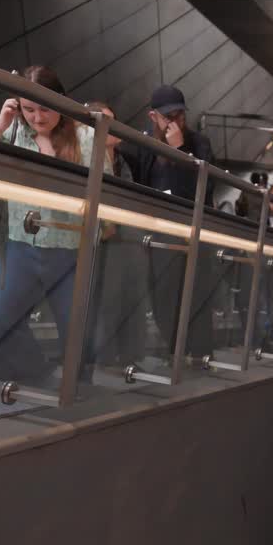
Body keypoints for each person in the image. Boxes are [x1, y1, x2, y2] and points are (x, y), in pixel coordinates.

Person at [0, 66, 95, 387]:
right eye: (28, 109)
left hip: (69, 249)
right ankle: (35, 375)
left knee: (75, 326)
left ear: (60, 103)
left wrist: (45, 140)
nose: (38, 118)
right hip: (20, 244)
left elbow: (97, 190)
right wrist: (0, 126)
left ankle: (78, 388)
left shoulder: (85, 136)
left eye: (45, 108)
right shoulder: (15, 134)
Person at [120, 85, 216, 360]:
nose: (175, 122)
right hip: (159, 232)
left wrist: (180, 152)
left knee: (195, 294)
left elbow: (202, 190)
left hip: (190, 231)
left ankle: (198, 355)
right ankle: (175, 348)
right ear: (154, 117)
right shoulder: (146, 144)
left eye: (180, 116)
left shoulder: (199, 144)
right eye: (168, 117)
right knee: (162, 296)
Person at [83, 101, 147, 370]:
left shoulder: (124, 160)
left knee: (128, 296)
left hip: (125, 235)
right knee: (106, 299)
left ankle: (128, 356)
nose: (112, 126)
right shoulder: (88, 156)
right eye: (104, 121)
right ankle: (105, 357)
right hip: (103, 237)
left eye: (113, 120)